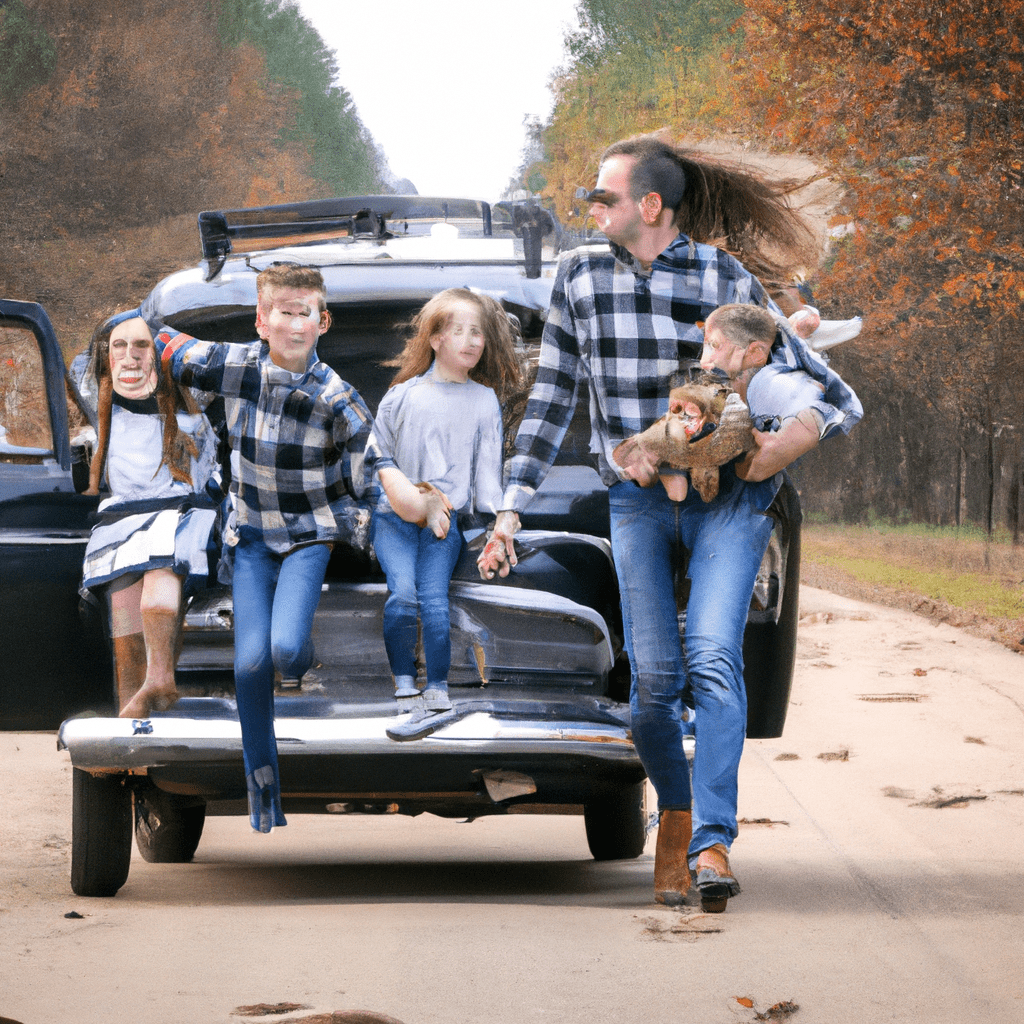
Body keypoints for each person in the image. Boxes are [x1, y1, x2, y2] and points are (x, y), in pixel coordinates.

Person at [477, 135, 862, 912]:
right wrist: (510, 507)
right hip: (638, 503)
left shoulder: (725, 277)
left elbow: (830, 393)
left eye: (604, 196)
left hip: (729, 502)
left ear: (650, 205)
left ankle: (714, 843)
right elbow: (552, 398)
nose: (592, 208)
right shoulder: (580, 276)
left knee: (714, 656)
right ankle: (678, 822)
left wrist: (783, 444)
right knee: (654, 680)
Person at [147, 264, 374, 833]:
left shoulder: (338, 397)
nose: (294, 324)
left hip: (309, 536)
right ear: (262, 319)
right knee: (248, 664)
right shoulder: (238, 366)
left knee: (284, 650)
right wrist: (138, 336)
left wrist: (382, 527)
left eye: (305, 314)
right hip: (250, 538)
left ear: (323, 322)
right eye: (283, 312)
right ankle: (263, 789)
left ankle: (301, 663)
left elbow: (369, 475)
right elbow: (170, 345)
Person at [363, 288, 523, 741]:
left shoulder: (484, 400)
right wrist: (413, 498)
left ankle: (437, 688)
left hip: (445, 525)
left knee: (434, 601)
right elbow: (378, 461)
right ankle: (403, 686)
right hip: (393, 519)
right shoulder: (401, 396)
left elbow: (488, 477)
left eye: (478, 334)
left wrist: (500, 522)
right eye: (460, 332)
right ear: (434, 339)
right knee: (403, 595)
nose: (472, 342)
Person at [80, 312, 221, 720]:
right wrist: (128, 323)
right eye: (118, 347)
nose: (130, 356)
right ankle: (134, 724)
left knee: (159, 594)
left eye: (142, 345)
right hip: (121, 527)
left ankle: (161, 681)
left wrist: (160, 333)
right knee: (125, 626)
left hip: (177, 518)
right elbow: (80, 367)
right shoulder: (103, 410)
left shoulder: (194, 407)